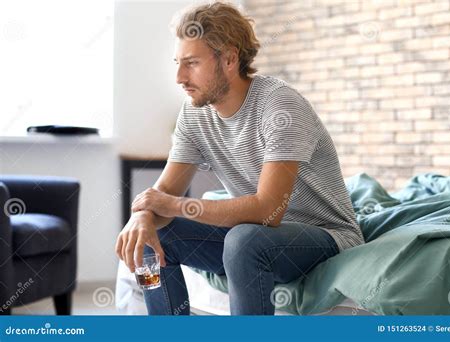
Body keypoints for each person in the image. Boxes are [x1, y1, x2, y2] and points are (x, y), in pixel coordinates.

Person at [115, 1, 364, 315]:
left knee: (244, 241)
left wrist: (172, 206)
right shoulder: (194, 115)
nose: (179, 76)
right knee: (155, 236)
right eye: (177, 62)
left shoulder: (279, 105)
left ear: (230, 59)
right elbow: (162, 194)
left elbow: (268, 212)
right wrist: (142, 216)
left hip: (322, 236)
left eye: (191, 63)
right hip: (254, 238)